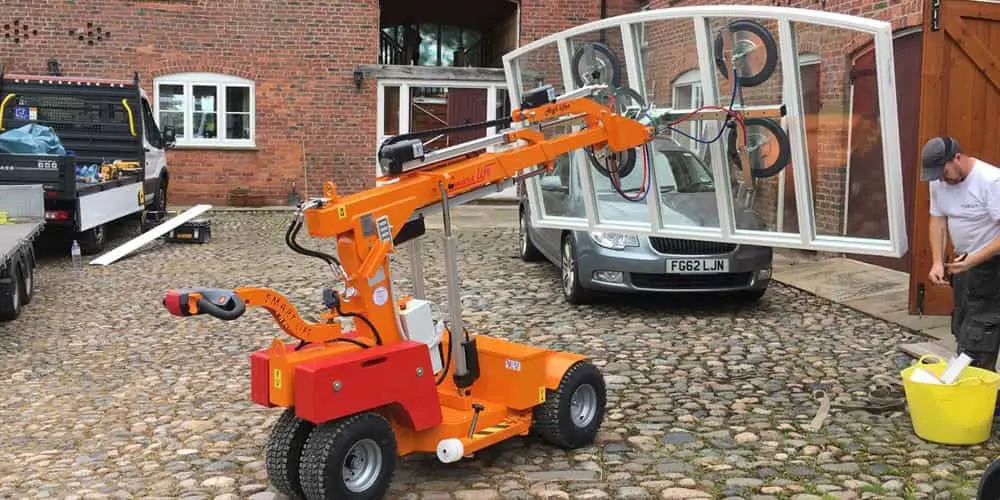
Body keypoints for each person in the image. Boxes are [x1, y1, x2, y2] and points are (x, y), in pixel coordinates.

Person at [923, 136, 1000, 371]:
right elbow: (937, 220)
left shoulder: (991, 181)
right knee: (963, 325)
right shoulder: (938, 180)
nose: (940, 179)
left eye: (943, 171)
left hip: (992, 266)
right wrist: (937, 262)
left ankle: (978, 396)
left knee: (979, 336)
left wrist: (973, 261)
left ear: (957, 158)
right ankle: (982, 393)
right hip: (964, 264)